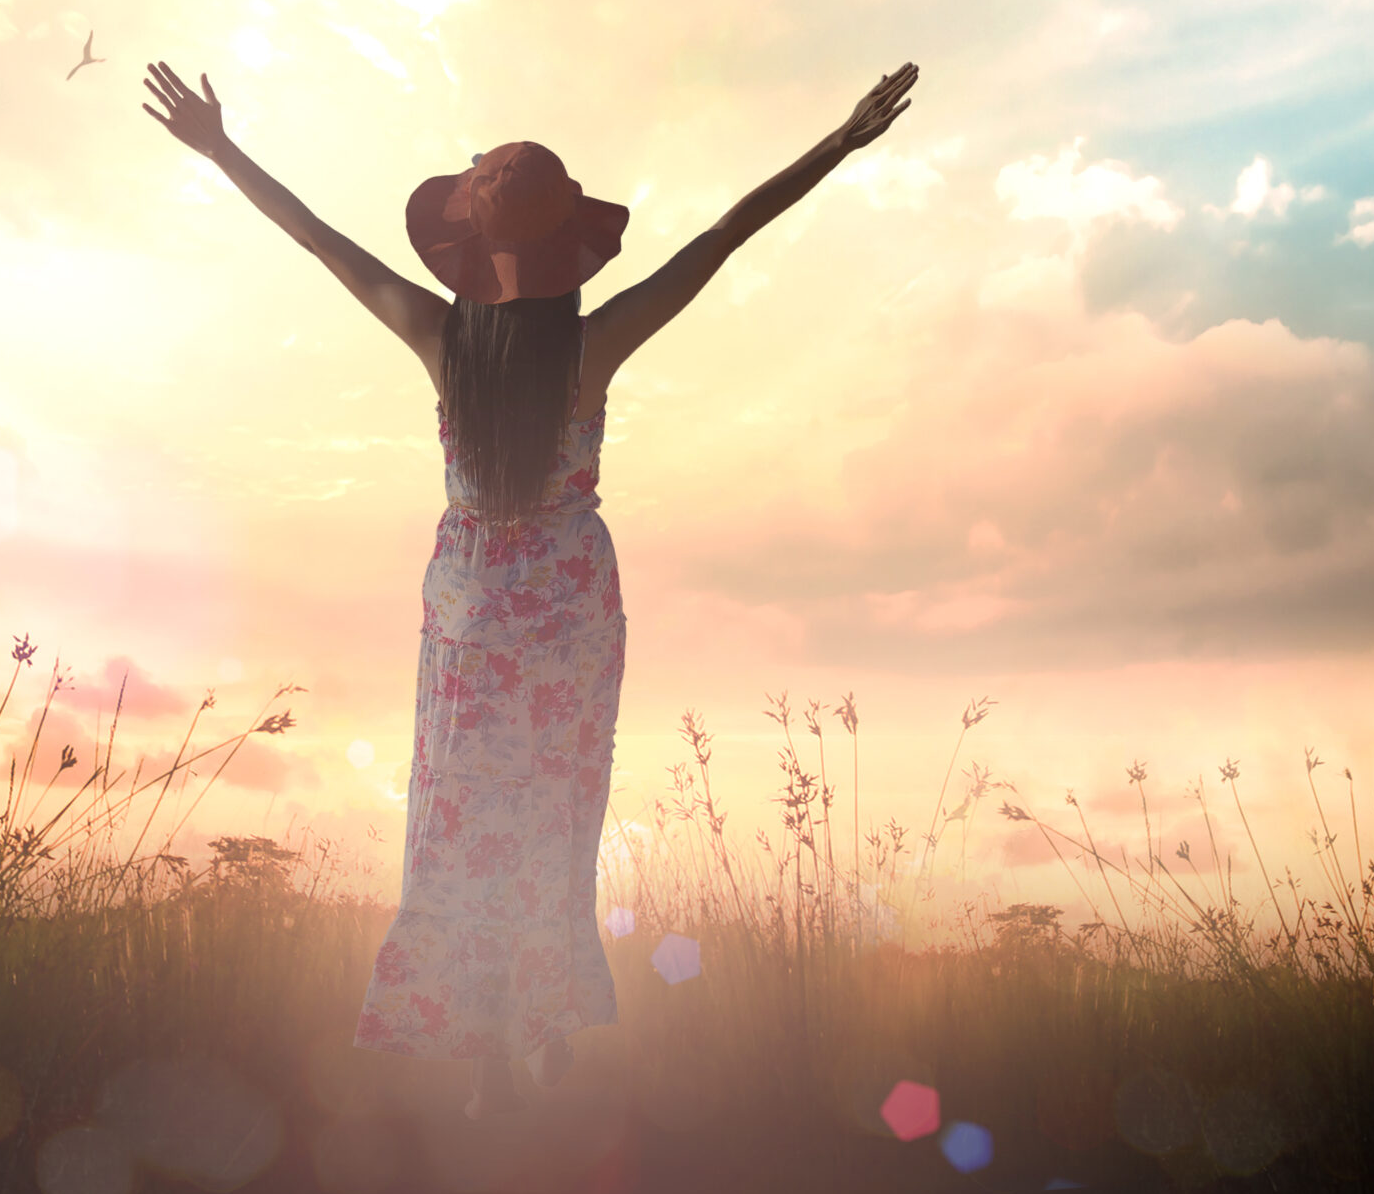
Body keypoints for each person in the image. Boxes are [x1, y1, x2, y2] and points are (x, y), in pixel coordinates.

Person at [140, 59, 919, 1120]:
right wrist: (839, 140)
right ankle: (544, 1021)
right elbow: (722, 239)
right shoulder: (592, 347)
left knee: (460, 827)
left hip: (468, 610)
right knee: (557, 820)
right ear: (568, 251)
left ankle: (486, 1061)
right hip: (565, 614)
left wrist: (221, 149)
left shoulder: (438, 340)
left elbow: (322, 240)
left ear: (469, 250)